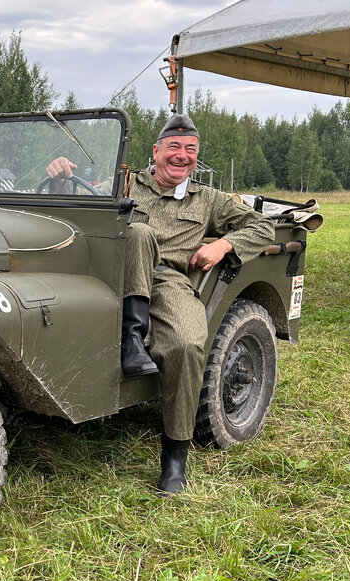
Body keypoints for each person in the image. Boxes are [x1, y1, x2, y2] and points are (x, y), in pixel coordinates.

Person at [47, 113, 274, 495]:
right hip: (107, 272)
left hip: (166, 278)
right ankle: (131, 343)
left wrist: (223, 244)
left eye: (190, 150)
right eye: (174, 147)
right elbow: (79, 206)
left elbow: (263, 226)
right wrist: (60, 180)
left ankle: (174, 458)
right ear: (156, 151)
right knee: (136, 232)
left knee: (187, 343)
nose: (181, 156)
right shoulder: (123, 183)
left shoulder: (209, 200)